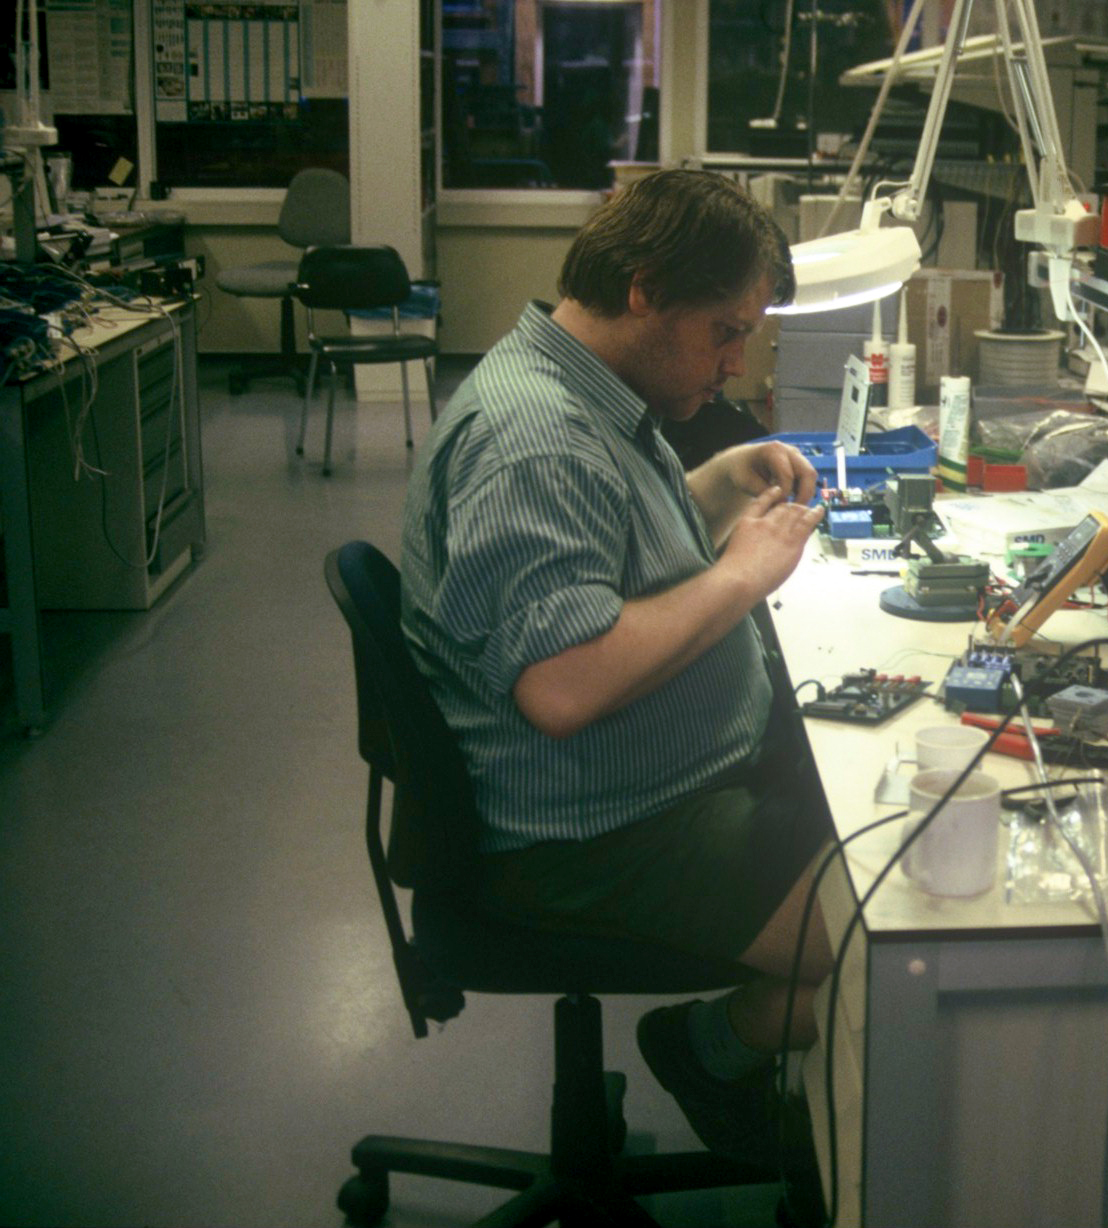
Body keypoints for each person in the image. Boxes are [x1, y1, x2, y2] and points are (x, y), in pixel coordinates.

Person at [399, 169, 833, 1167]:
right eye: (726, 331)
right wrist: (742, 575)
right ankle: (713, 1047)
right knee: (907, 941)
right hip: (595, 834)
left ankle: (715, 1043)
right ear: (646, 290)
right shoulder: (535, 438)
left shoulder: (574, 385)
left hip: (645, 787)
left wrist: (712, 486)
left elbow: (600, 553)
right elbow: (564, 684)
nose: (737, 362)